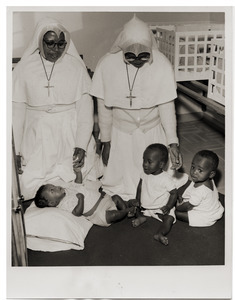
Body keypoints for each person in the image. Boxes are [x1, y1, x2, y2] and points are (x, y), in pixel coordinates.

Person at [90, 15, 187, 201]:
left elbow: (166, 106)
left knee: (156, 182)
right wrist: (107, 141)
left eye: (143, 56)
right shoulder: (107, 65)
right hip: (121, 132)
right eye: (130, 56)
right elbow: (103, 108)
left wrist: (172, 142)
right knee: (119, 181)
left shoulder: (162, 65)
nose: (136, 60)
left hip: (151, 131)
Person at [12, 18, 97, 200]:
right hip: (37, 131)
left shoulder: (75, 67)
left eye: (60, 44)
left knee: (77, 176)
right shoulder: (24, 68)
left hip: (69, 128)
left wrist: (81, 144)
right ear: (40, 41)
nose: (55, 50)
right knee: (27, 185)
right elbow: (16, 114)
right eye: (50, 44)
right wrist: (16, 151)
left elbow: (85, 110)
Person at [33, 167, 136, 227]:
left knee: (116, 197)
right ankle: (127, 211)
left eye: (54, 186)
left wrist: (78, 172)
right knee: (113, 216)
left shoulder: (68, 189)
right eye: (52, 190)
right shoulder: (64, 204)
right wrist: (80, 199)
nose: (56, 187)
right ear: (52, 203)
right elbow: (77, 212)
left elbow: (78, 183)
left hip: (104, 199)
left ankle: (127, 211)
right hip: (98, 213)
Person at [130, 144, 177, 246]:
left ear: (161, 164)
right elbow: (140, 187)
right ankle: (141, 217)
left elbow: (174, 193)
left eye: (149, 162)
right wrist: (137, 199)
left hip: (160, 208)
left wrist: (168, 206)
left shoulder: (165, 178)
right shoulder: (144, 173)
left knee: (169, 219)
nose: (145, 164)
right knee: (134, 207)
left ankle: (159, 234)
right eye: (144, 160)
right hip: (145, 207)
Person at [175, 150, 224, 227]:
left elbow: (189, 206)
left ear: (211, 174)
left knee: (177, 213)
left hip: (206, 216)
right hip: (212, 208)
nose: (194, 172)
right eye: (193, 167)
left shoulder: (200, 190)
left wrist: (179, 207)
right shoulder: (209, 179)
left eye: (200, 170)